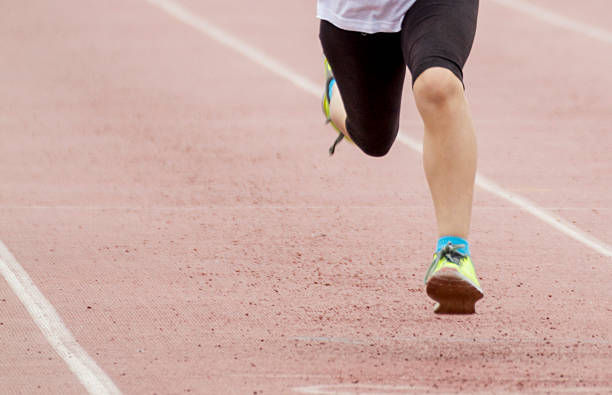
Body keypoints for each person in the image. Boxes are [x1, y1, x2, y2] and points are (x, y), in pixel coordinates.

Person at [318, 0, 484, 314]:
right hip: (356, 13)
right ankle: (333, 95)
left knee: (439, 85)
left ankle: (454, 253)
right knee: (373, 137)